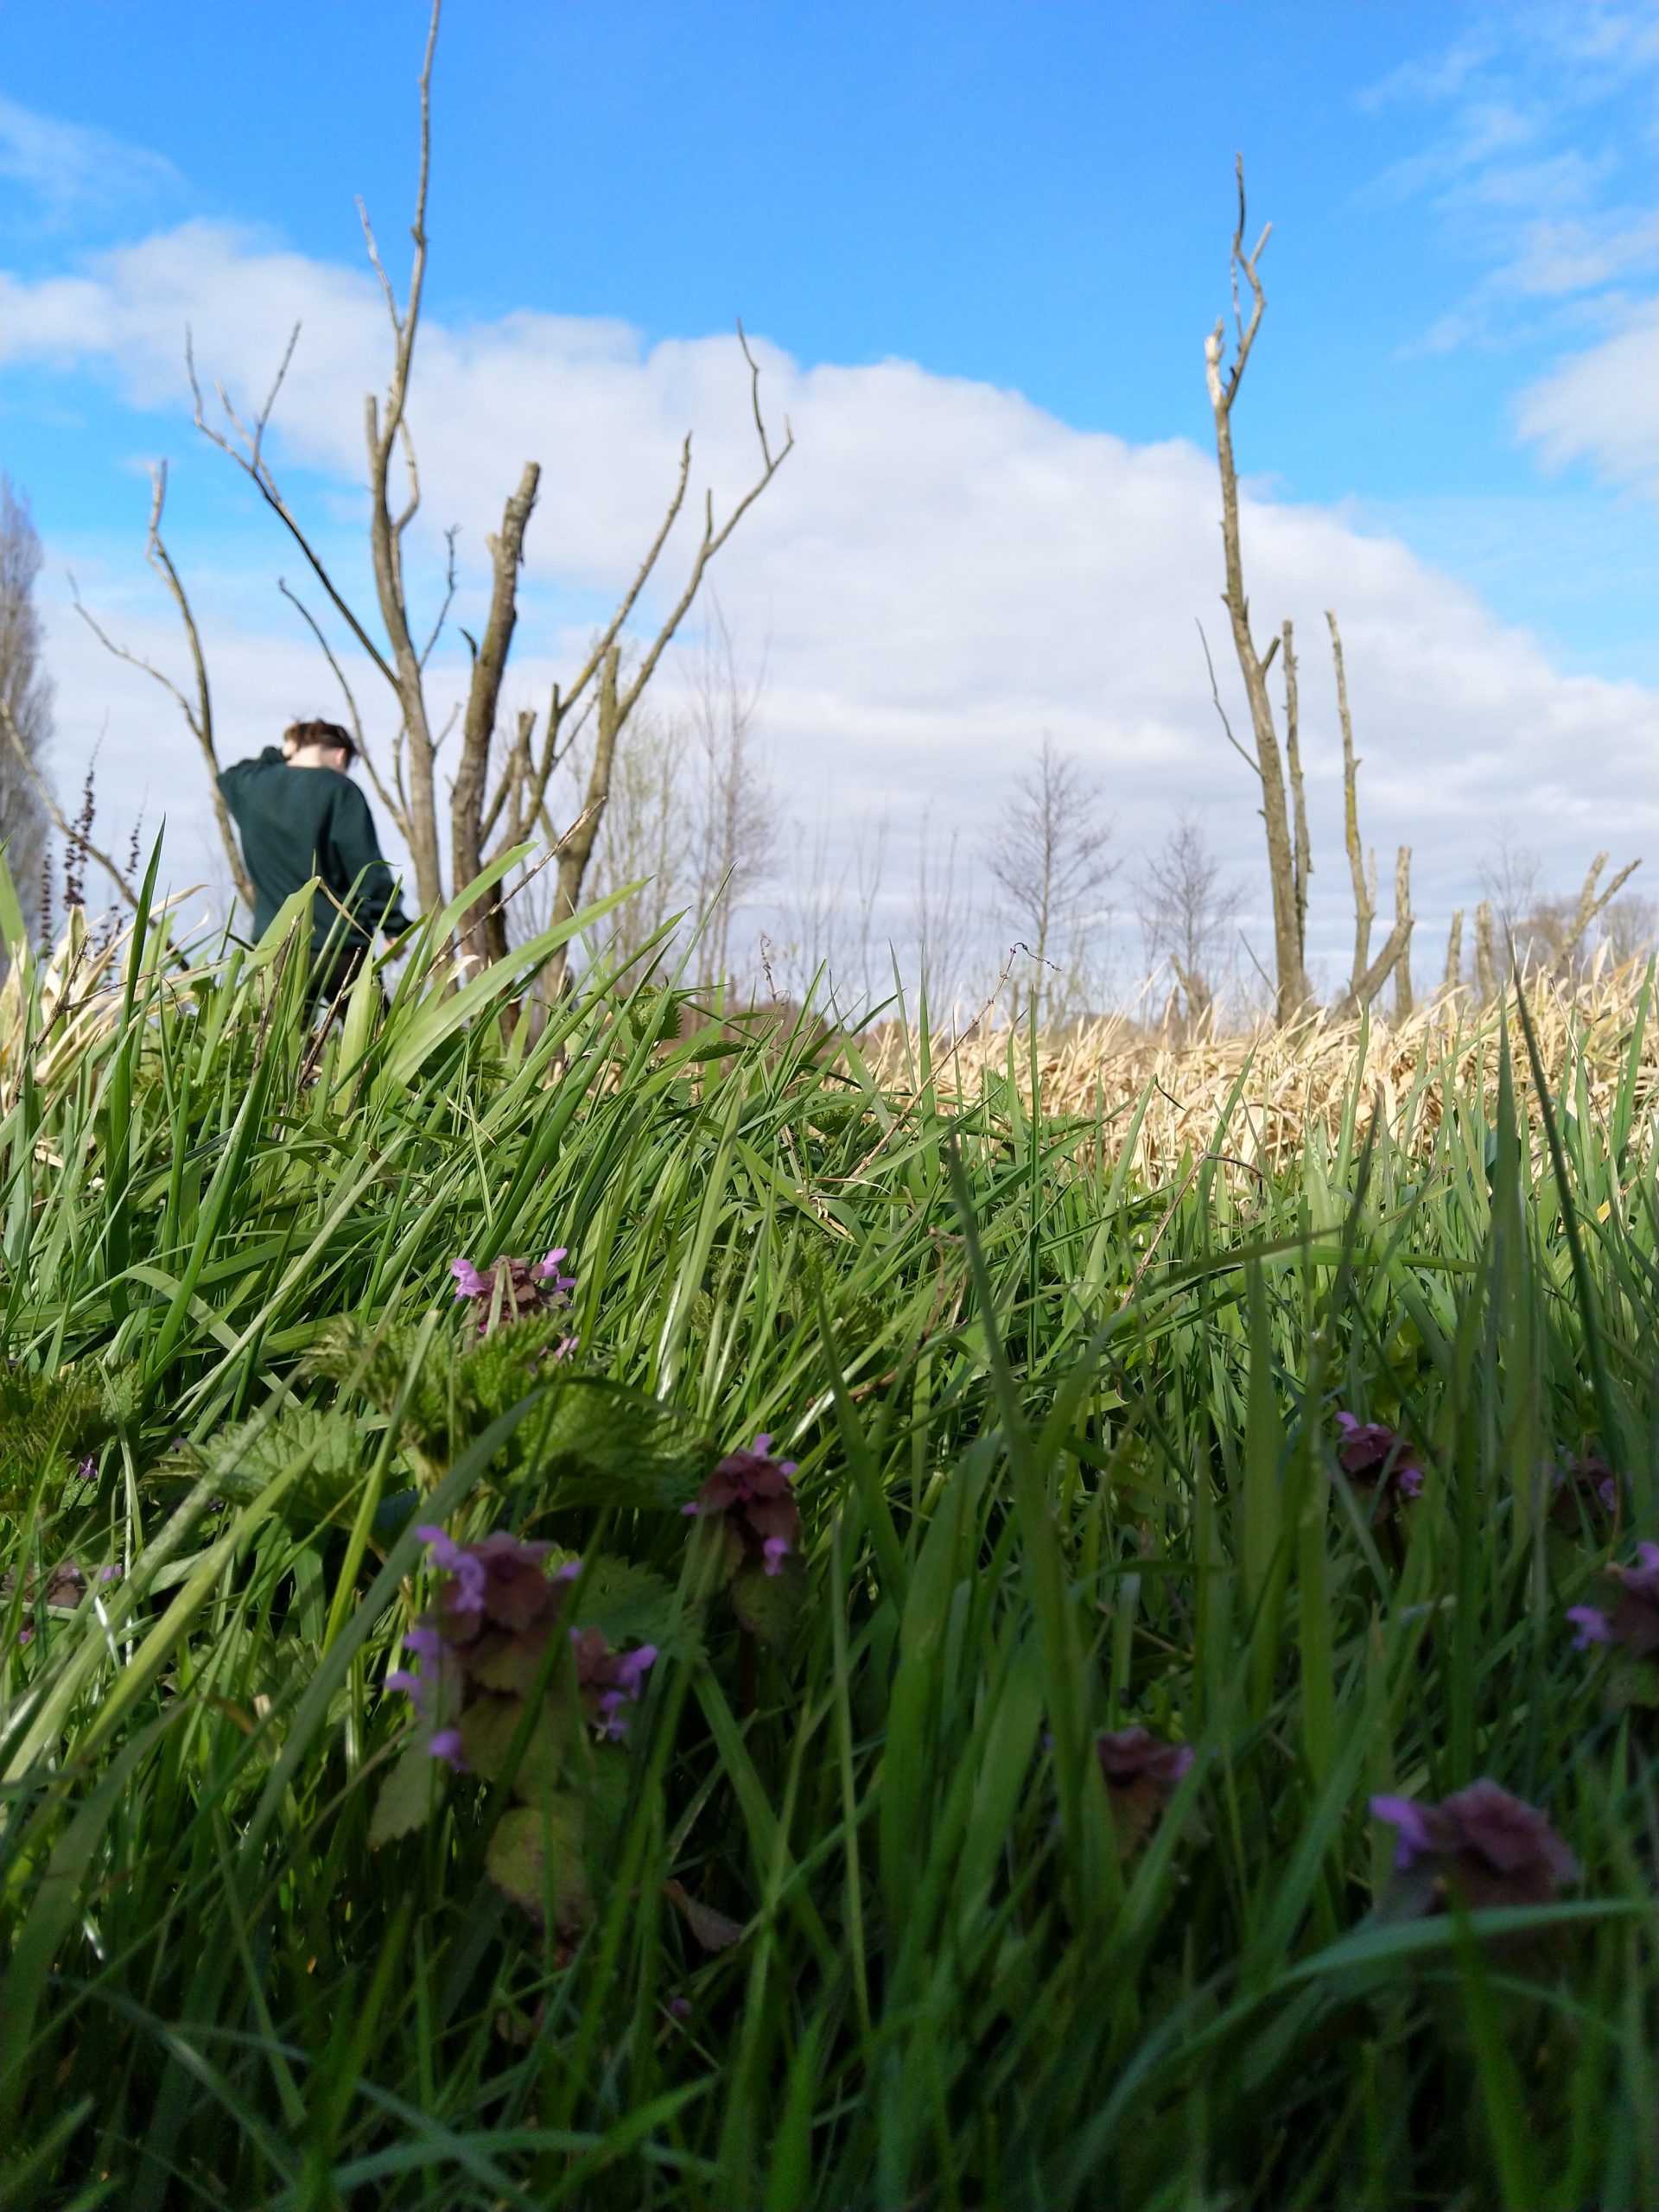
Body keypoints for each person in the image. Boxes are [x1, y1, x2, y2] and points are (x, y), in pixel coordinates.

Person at [219, 720, 412, 1004]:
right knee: (377, 1040)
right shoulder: (340, 790)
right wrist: (394, 925)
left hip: (276, 947)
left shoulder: (250, 787)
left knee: (279, 1045)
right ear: (341, 756)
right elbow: (364, 866)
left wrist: (283, 753)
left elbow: (228, 777)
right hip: (341, 948)